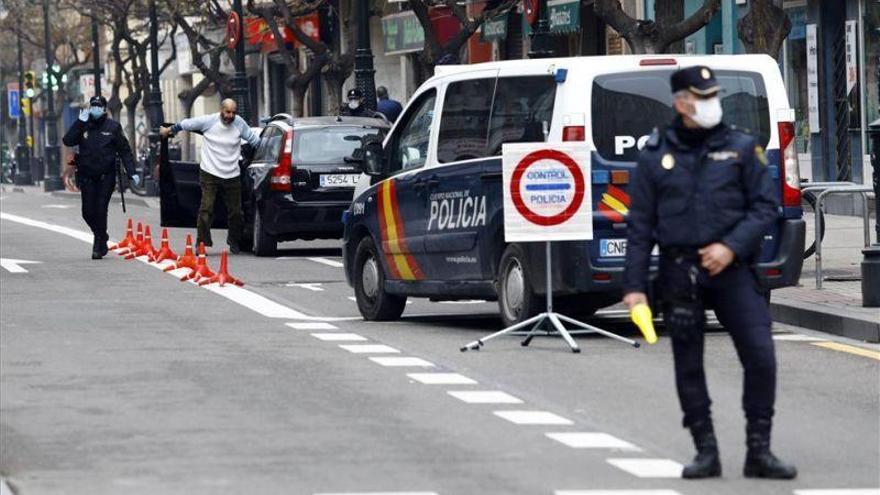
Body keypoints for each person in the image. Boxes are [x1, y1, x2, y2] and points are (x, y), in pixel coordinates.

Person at [623, 66, 797, 480]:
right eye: (702, 97)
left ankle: (759, 450)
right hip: (680, 272)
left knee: (760, 355)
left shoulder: (740, 146)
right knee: (688, 364)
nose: (711, 103)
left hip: (733, 271)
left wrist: (730, 246)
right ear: (681, 102)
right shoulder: (655, 155)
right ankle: (706, 450)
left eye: (713, 95)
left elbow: (764, 207)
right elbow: (640, 225)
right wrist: (633, 288)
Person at [159, 99, 259, 253]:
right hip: (209, 172)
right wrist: (169, 130)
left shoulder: (239, 123)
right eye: (227, 112)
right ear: (221, 110)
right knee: (206, 208)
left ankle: (233, 240)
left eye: (233, 112)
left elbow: (254, 141)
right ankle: (202, 243)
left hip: (232, 174)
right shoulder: (209, 121)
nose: (230, 116)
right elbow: (186, 124)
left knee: (236, 212)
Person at [62, 95, 136, 260]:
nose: (95, 109)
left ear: (104, 109)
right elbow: (67, 140)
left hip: (106, 176)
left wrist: (132, 172)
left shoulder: (113, 127)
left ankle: (98, 244)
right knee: (87, 212)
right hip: (87, 175)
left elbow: (124, 150)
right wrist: (79, 123)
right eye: (93, 106)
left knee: (101, 209)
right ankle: (102, 235)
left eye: (98, 106)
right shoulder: (83, 125)